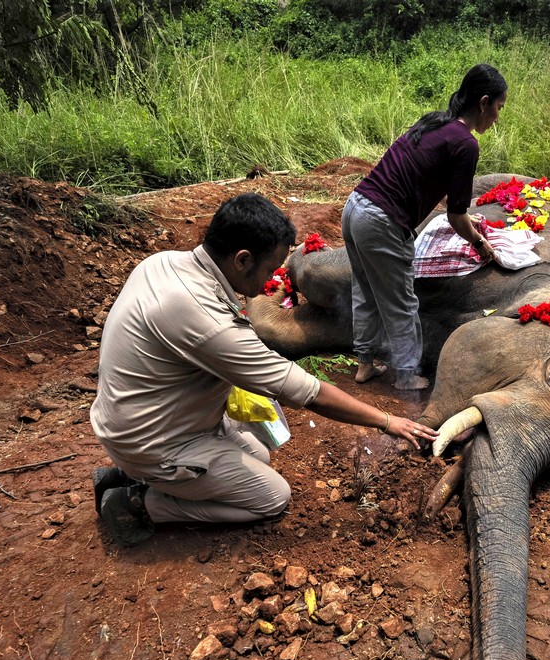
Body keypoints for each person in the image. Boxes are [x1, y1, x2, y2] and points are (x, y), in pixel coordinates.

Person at [90, 193, 438, 546]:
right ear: (242, 260)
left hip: (133, 417)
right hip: (150, 440)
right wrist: (387, 420)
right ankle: (138, 502)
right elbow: (306, 391)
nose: (271, 280)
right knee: (271, 498)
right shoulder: (208, 324)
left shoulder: (163, 263)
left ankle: (132, 474)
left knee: (258, 453)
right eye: (270, 270)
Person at [343, 63, 507, 391]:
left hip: (354, 209)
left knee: (365, 292)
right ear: (484, 102)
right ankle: (406, 376)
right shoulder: (466, 144)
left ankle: (364, 364)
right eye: (499, 109)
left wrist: (463, 215)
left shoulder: (435, 122)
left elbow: (433, 183)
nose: (498, 118)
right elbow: (456, 217)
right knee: (402, 301)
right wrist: (478, 242)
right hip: (381, 223)